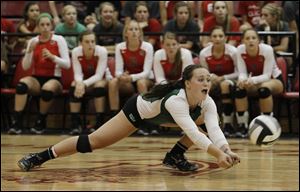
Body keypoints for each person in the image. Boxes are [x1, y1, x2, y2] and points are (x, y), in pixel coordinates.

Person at [17, 64, 240, 172]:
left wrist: (226, 150)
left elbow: (214, 128)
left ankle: (174, 157)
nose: (206, 83)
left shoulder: (207, 101)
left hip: (162, 118)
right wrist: (217, 153)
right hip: (138, 111)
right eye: (201, 79)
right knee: (92, 142)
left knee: (206, 125)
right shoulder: (176, 100)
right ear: (187, 83)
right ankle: (39, 157)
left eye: (208, 79)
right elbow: (192, 133)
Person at [7, 13, 70, 135]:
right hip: (36, 78)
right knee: (21, 85)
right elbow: (25, 66)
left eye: (48, 24)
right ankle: (17, 122)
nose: (45, 27)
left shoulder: (59, 39)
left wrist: (53, 58)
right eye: (42, 25)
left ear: (51, 25)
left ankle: (40, 120)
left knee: (47, 89)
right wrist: (29, 52)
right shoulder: (33, 41)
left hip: (54, 78)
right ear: (38, 27)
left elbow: (67, 64)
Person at [234, 29, 284, 138]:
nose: (250, 41)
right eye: (247, 38)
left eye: (253, 38)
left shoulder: (267, 50)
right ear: (243, 41)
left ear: (259, 41)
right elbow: (242, 72)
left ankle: (268, 126)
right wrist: (243, 80)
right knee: (239, 88)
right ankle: (242, 126)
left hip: (273, 79)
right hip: (253, 81)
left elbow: (267, 75)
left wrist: (251, 81)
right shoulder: (239, 50)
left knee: (264, 89)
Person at [108, 20, 154, 128]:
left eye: (136, 29)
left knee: (141, 83)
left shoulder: (147, 47)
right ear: (125, 33)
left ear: (140, 33)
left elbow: (146, 72)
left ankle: (147, 120)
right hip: (128, 81)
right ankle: (113, 120)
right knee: (113, 82)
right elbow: (118, 71)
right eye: (131, 29)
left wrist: (131, 77)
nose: (134, 32)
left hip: (144, 79)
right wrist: (121, 76)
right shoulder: (120, 47)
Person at [199, 26, 238, 138]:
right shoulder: (204, 53)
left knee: (224, 85)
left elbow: (239, 72)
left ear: (225, 38)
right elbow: (203, 73)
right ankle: (203, 123)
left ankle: (227, 124)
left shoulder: (233, 52)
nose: (218, 38)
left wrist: (223, 77)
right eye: (215, 36)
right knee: (204, 86)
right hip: (212, 80)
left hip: (230, 79)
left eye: (220, 36)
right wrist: (211, 76)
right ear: (211, 38)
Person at [69, 30, 108, 135]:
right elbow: (77, 73)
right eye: (87, 42)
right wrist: (79, 83)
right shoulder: (76, 52)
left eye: (92, 41)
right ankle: (75, 123)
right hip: (84, 80)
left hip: (102, 79)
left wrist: (82, 84)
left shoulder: (102, 51)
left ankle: (99, 122)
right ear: (81, 43)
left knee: (99, 86)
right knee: (74, 85)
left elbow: (99, 75)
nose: (91, 44)